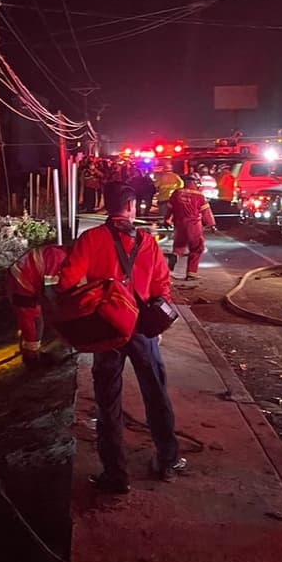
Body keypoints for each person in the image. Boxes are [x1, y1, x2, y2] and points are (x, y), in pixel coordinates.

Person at [58, 182, 183, 494]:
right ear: (132, 208)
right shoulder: (148, 242)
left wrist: (93, 298)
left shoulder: (90, 239)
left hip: (107, 330)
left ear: (105, 205)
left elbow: (66, 283)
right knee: (155, 393)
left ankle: (116, 476)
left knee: (108, 401)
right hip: (142, 330)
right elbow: (162, 287)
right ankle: (168, 461)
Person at [5, 242, 69, 367]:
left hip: (23, 278)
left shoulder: (61, 253)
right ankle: (32, 359)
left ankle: (30, 352)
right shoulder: (59, 257)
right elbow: (52, 293)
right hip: (21, 283)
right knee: (33, 323)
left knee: (32, 322)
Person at [167, 173, 216, 281]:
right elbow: (206, 212)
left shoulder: (177, 193)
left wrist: (166, 219)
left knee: (180, 245)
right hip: (193, 224)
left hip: (179, 224)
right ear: (194, 182)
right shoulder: (199, 195)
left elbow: (170, 208)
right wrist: (211, 224)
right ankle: (191, 273)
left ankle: (175, 255)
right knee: (197, 248)